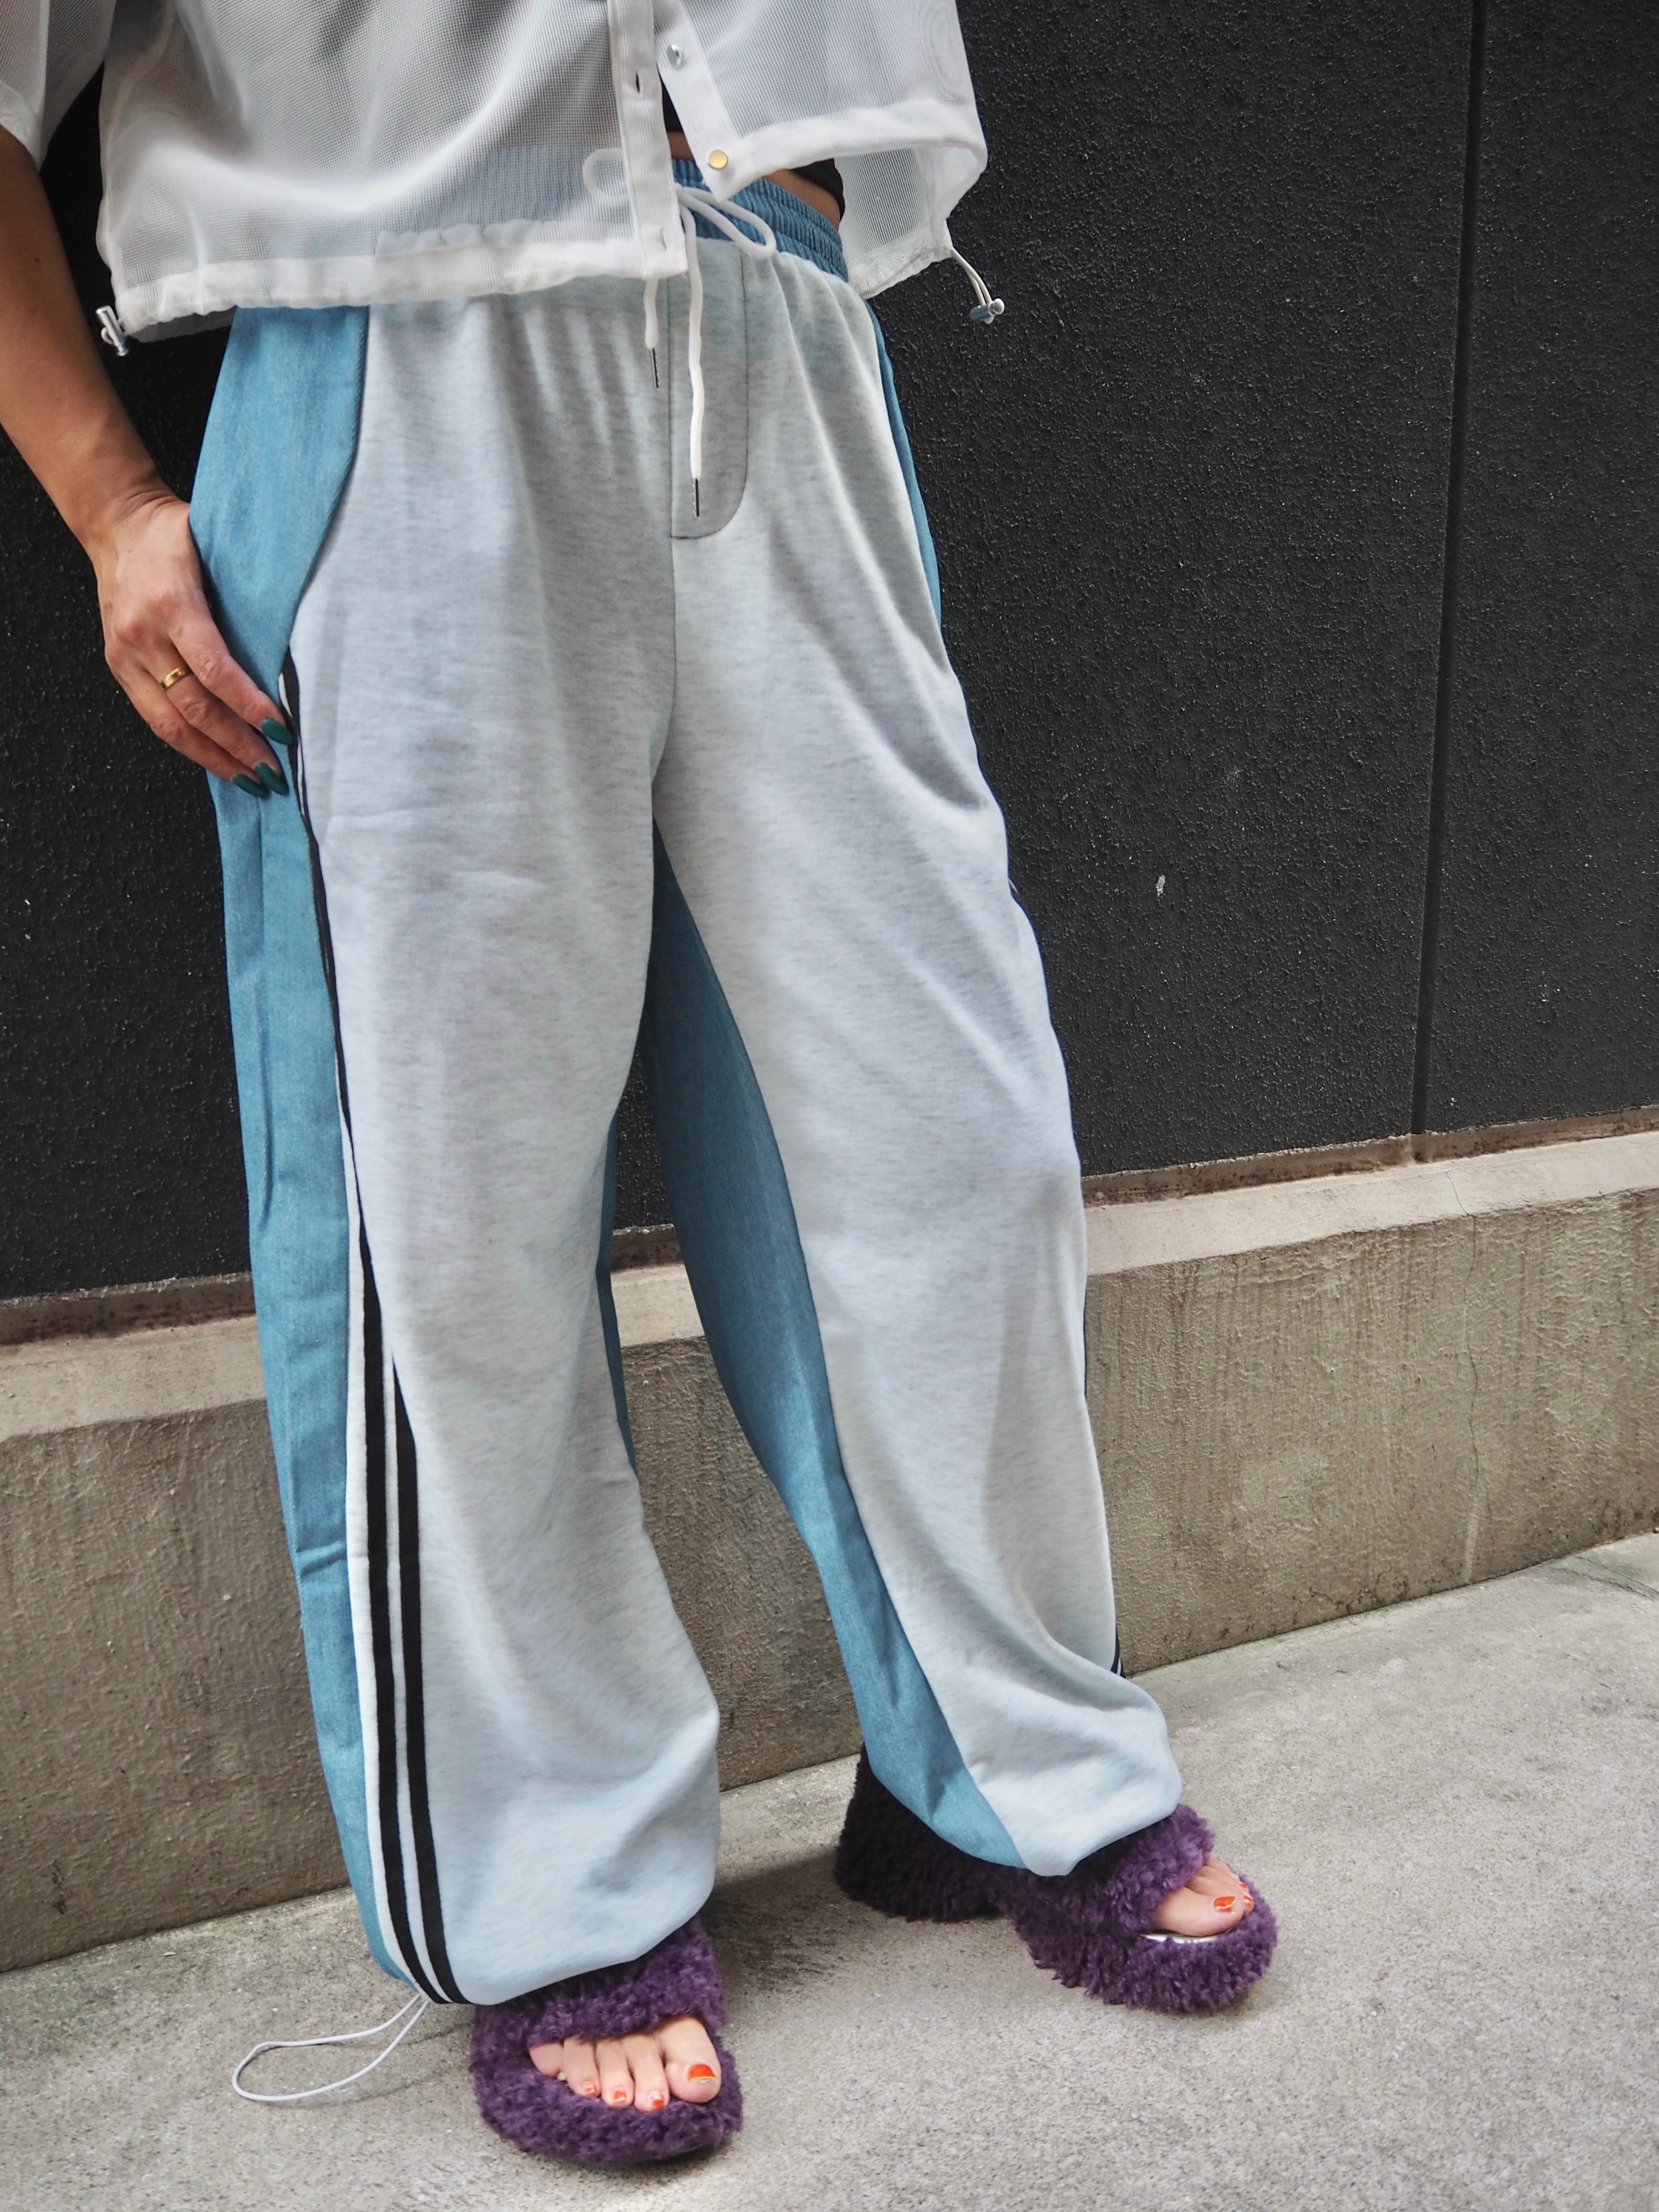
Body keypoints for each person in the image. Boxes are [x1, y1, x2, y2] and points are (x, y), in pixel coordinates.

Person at [0, 1, 1275, 2169]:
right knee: (459, 1203)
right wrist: (118, 507)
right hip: (396, 351)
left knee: (952, 1138)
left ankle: (999, 1760)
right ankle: (558, 1883)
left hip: (784, 339)